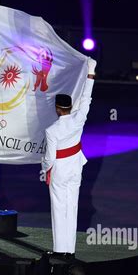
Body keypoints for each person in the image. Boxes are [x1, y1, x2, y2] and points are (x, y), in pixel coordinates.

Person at [41, 57, 96, 259]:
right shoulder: (78, 119)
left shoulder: (52, 130)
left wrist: (44, 169)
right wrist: (90, 73)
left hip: (60, 169)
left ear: (57, 109)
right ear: (70, 107)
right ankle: (70, 250)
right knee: (71, 207)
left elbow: (49, 158)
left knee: (58, 208)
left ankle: (60, 249)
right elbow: (86, 98)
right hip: (75, 167)